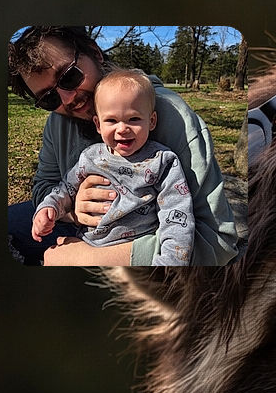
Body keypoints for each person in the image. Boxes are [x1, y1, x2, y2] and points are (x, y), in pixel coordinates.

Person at [8, 26, 238, 266]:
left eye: (68, 76)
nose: (67, 99)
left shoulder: (172, 117)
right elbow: (44, 186)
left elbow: (217, 241)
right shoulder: (57, 122)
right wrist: (72, 210)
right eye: (49, 98)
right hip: (76, 228)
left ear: (95, 53)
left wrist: (89, 257)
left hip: (141, 244)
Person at [33, 69, 194, 266]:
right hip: (88, 241)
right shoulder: (91, 157)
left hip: (136, 248)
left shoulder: (163, 161)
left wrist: (170, 263)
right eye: (111, 120)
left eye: (134, 119)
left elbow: (177, 215)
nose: (122, 128)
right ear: (98, 125)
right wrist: (49, 208)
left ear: (151, 121)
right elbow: (65, 189)